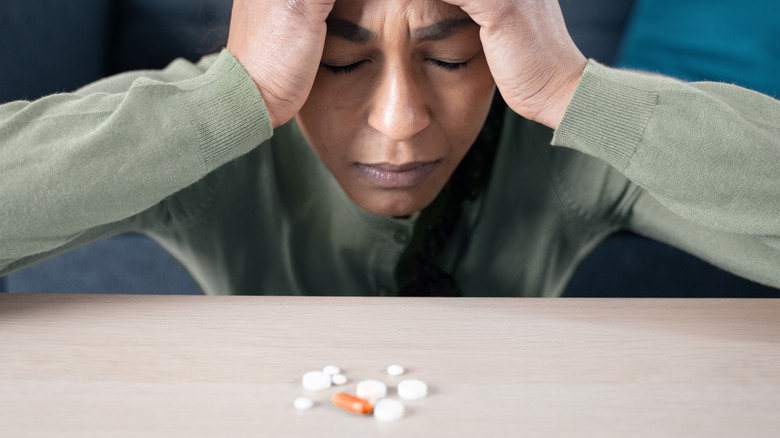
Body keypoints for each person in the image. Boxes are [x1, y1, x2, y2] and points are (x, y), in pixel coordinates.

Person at [0, 0, 778, 296]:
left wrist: (573, 92)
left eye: (449, 59)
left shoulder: (563, 139)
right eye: (340, 63)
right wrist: (225, 103)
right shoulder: (210, 128)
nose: (401, 122)